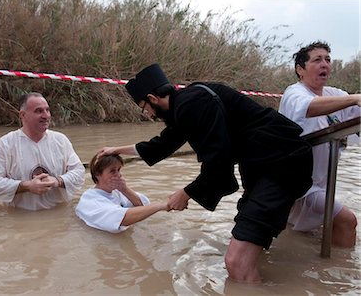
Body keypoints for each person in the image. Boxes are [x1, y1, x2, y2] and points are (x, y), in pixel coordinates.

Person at [98, 63, 313, 283]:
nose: (149, 114)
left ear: (153, 98)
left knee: (236, 262)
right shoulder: (185, 105)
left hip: (281, 164)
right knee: (247, 236)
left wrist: (186, 193)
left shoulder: (193, 105)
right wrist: (117, 150)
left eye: (145, 108)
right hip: (263, 165)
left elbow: (218, 166)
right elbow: (160, 145)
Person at [278, 41, 360, 248]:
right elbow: (308, 108)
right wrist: (355, 98)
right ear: (300, 69)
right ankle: (342, 273)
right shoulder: (294, 93)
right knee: (347, 220)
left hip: (321, 184)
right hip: (300, 185)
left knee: (300, 235)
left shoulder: (334, 94)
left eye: (328, 60)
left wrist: (354, 100)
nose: (325, 64)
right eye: (317, 60)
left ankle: (319, 272)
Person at [0, 92, 85, 210]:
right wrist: (26, 186)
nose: (46, 115)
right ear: (23, 115)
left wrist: (58, 181)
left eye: (47, 110)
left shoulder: (60, 140)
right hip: (21, 218)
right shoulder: (7, 143)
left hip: (59, 213)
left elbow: (79, 172)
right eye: (39, 111)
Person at [76, 153, 169, 233]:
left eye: (119, 170)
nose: (119, 175)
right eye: (112, 171)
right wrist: (159, 206)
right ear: (97, 174)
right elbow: (122, 218)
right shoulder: (90, 200)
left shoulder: (117, 191)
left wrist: (125, 190)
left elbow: (143, 205)